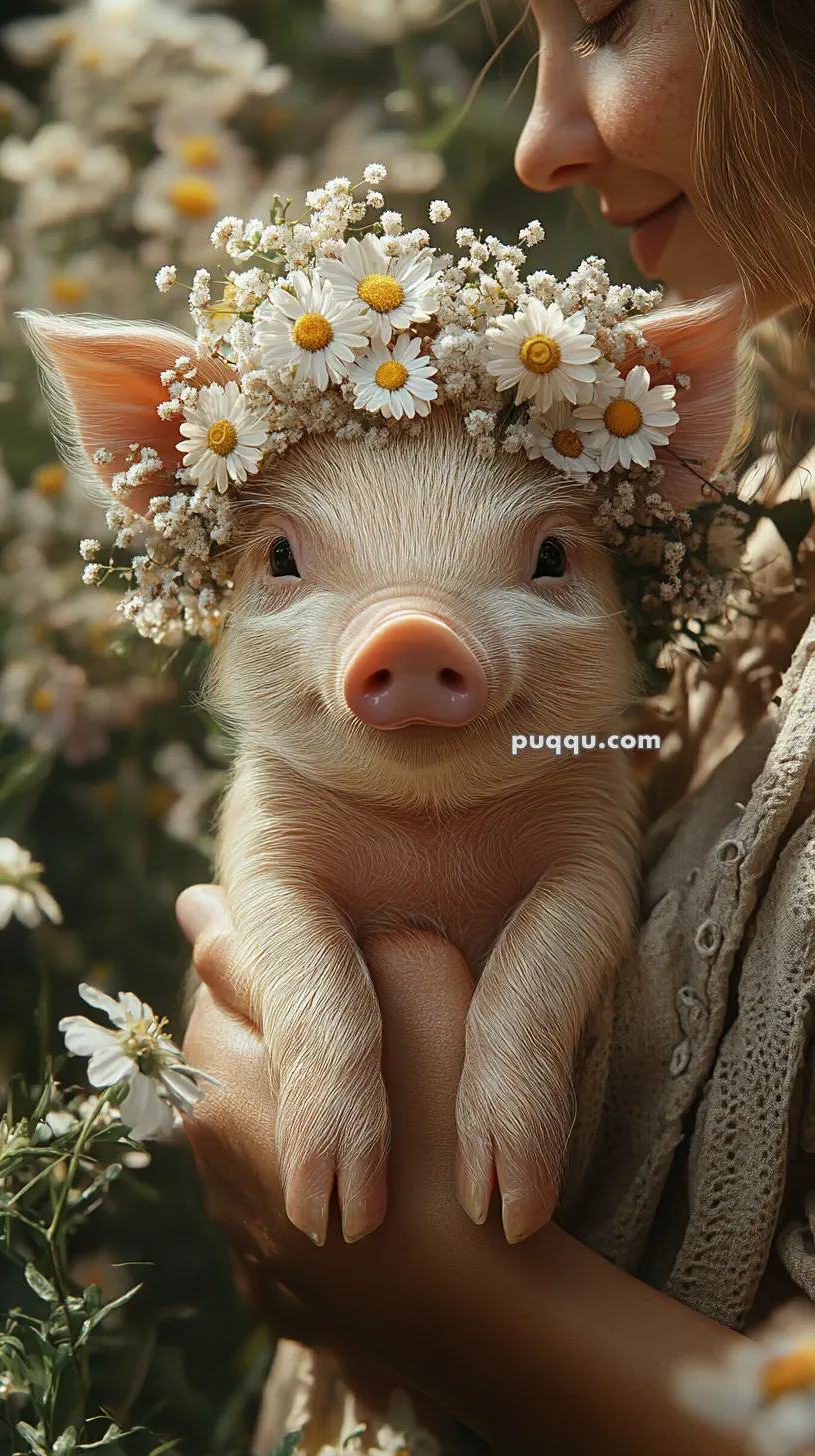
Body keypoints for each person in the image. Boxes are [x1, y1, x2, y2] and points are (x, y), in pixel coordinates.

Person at [177, 1, 815, 1450]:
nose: (534, 140)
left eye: (603, 13)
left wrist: (450, 1303)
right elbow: (609, 764)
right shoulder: (772, 481)